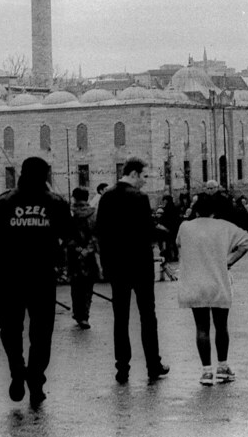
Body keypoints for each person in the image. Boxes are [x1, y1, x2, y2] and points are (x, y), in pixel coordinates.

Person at [0, 157, 71, 408]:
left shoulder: (3, 202)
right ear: (45, 176)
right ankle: (36, 381)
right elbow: (67, 236)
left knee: (10, 330)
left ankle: (17, 371)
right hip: (42, 277)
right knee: (42, 332)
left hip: (9, 277)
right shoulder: (55, 203)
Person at [95, 157, 169, 383]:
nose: (145, 182)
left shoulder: (106, 196)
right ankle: (153, 365)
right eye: (144, 176)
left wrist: (106, 265)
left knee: (121, 317)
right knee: (148, 315)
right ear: (134, 174)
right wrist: (162, 231)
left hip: (117, 266)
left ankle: (122, 368)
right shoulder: (139, 197)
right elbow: (147, 230)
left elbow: (101, 232)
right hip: (140, 264)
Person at [175, 191, 248, 386]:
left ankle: (206, 371)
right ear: (214, 210)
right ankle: (223, 367)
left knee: (201, 328)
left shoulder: (185, 227)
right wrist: (229, 261)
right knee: (221, 326)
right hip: (218, 280)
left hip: (195, 282)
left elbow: (178, 245)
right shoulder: (224, 227)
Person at [66, 187, 99, 329]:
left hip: (74, 255)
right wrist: (87, 250)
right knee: (88, 285)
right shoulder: (94, 214)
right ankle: (85, 315)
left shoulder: (70, 214)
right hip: (89, 255)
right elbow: (97, 235)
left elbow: (67, 235)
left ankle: (78, 313)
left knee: (76, 285)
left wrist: (78, 249)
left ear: (74, 197)